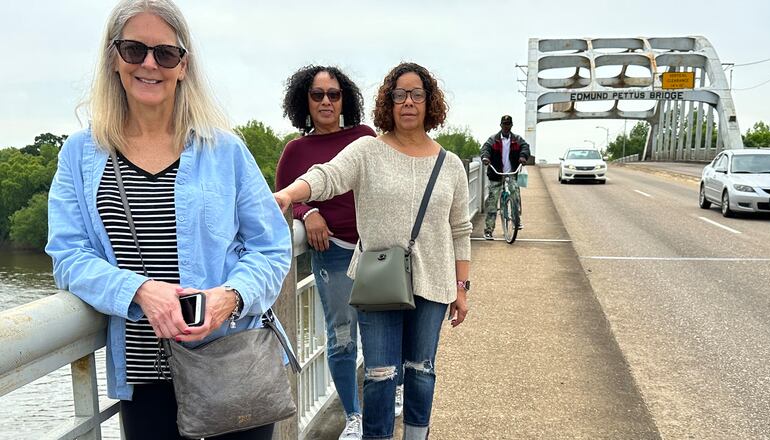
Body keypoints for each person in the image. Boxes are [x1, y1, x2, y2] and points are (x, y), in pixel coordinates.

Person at [45, 1, 291, 439]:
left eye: (165, 53)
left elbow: (271, 247)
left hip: (229, 364)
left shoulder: (225, 150)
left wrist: (230, 297)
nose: (149, 64)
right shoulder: (80, 154)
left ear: (183, 65)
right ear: (113, 58)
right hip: (143, 377)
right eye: (134, 49)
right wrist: (139, 290)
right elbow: (68, 255)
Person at [274, 62, 472, 440]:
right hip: (379, 280)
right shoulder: (367, 150)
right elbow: (327, 176)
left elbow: (460, 230)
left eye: (417, 94)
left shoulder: (452, 166)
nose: (408, 102)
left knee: (421, 370)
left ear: (430, 103)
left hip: (434, 278)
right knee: (380, 375)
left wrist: (462, 288)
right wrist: (288, 195)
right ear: (388, 103)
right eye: (400, 95)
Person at [276, 65, 376, 440]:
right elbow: (284, 198)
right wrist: (309, 212)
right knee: (342, 335)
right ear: (305, 100)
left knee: (381, 330)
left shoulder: (364, 137)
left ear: (344, 99)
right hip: (331, 250)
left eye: (333, 94)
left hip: (374, 252)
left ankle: (385, 400)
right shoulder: (295, 150)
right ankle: (353, 417)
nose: (326, 101)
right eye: (317, 94)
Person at [480, 115, 530, 240]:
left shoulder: (517, 139)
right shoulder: (493, 139)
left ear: (511, 125)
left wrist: (523, 156)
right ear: (501, 125)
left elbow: (525, 147)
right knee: (492, 203)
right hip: (496, 174)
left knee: (515, 195)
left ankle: (516, 219)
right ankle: (488, 230)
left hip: (511, 173)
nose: (506, 126)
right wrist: (485, 158)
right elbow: (485, 149)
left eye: (508, 124)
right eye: (504, 124)